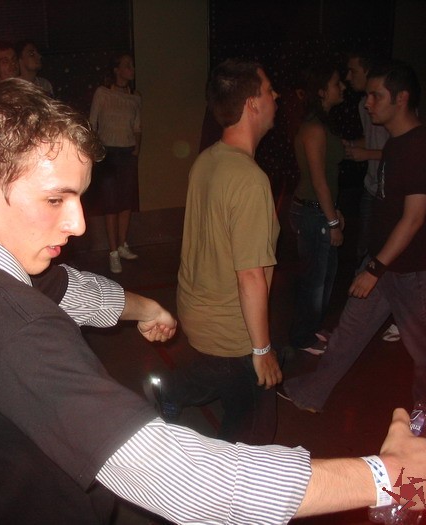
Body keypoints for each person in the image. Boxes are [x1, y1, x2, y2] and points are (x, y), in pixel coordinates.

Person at [0, 77, 426, 525]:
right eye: (55, 199)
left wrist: (145, 308)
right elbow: (177, 478)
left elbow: (66, 287)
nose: (78, 224)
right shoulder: (15, 329)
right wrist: (386, 478)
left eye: (79, 197)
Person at [282, 61, 426, 413]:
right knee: (348, 333)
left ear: (401, 98)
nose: (367, 103)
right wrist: (375, 265)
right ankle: (310, 394)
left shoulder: (421, 146)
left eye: (376, 95)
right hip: (383, 264)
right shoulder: (396, 145)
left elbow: (413, 219)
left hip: (413, 272)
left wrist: (375, 268)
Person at [154, 59, 283, 446]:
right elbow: (250, 274)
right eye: (269, 90)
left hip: (197, 308)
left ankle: (169, 391)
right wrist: (262, 350)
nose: (276, 96)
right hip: (232, 327)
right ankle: (225, 478)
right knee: (254, 431)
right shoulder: (250, 180)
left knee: (215, 373)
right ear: (253, 104)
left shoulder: (207, 159)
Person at [288, 62, 346, 356]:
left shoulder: (322, 125)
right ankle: (301, 337)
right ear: (322, 91)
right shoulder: (313, 128)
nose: (343, 87)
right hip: (312, 212)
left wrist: (333, 212)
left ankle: (310, 328)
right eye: (337, 83)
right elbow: (319, 180)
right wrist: (332, 222)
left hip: (319, 210)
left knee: (324, 277)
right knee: (315, 280)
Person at [344, 50, 399, 344]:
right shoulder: (362, 104)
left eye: (352, 71)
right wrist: (353, 145)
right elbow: (375, 139)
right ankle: (362, 312)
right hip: (371, 187)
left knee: (385, 254)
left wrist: (367, 153)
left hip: (390, 191)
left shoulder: (392, 104)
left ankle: (395, 313)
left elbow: (397, 149)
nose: (347, 77)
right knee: (367, 248)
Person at [89, 53, 141, 274]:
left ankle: (121, 245)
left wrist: (136, 150)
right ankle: (112, 252)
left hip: (127, 153)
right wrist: (95, 153)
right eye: (127, 65)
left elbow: (137, 127)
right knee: (111, 204)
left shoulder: (135, 97)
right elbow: (92, 123)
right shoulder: (102, 93)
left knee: (126, 202)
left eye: (132, 65)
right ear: (116, 70)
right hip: (108, 154)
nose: (132, 69)